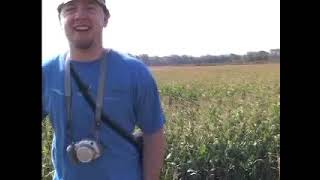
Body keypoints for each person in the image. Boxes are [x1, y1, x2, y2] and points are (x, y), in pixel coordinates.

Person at [42, 0, 166, 179]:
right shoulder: (47, 72)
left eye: (90, 8)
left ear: (106, 18)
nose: (79, 15)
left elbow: (153, 133)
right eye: (70, 9)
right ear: (60, 19)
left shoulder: (135, 72)